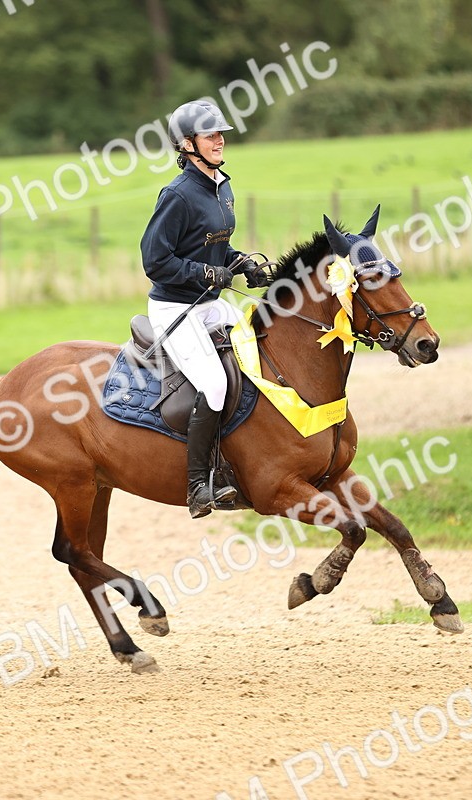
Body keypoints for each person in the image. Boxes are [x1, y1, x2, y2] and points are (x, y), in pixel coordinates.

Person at [140, 99, 270, 519]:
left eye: (220, 134)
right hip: (174, 308)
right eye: (210, 135)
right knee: (214, 384)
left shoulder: (221, 185)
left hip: (209, 304)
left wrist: (240, 263)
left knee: (260, 342)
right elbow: (154, 261)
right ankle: (198, 485)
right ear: (187, 144)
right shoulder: (177, 195)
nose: (219, 140)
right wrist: (204, 273)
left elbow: (213, 246)